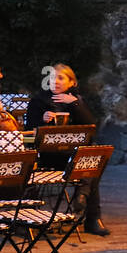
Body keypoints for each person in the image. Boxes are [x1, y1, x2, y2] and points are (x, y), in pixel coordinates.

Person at [25, 63, 109, 236]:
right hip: (47, 157)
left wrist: (75, 104)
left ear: (71, 82)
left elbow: (91, 127)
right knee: (89, 168)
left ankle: (85, 201)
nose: (55, 82)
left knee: (92, 158)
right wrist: (42, 121)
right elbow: (29, 132)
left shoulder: (76, 100)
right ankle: (88, 209)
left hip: (71, 157)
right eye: (52, 78)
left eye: (60, 78)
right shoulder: (38, 101)